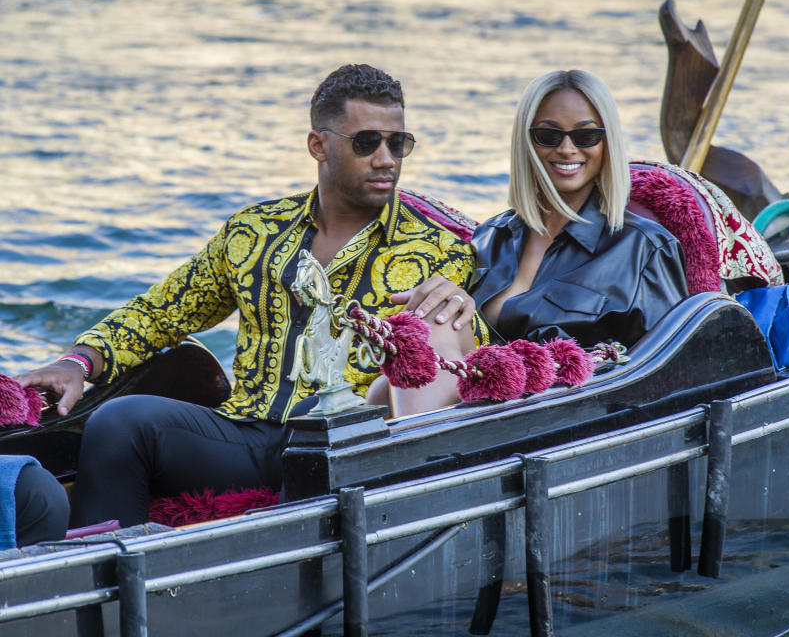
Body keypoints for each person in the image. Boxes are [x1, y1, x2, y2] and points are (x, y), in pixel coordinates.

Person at [16, 64, 485, 528]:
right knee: (119, 422)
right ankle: (100, 579)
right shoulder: (253, 232)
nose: (387, 159)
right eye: (367, 143)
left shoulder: (439, 249)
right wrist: (78, 361)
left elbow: (461, 359)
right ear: (318, 145)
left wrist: (467, 310)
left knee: (325, 452)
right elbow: (162, 310)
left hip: (348, 439)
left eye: (398, 143)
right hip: (247, 433)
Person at [382, 69, 689, 416]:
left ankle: (417, 460)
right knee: (436, 314)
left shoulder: (644, 248)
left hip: (564, 422)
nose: (567, 148)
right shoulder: (490, 237)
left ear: (607, 143)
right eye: (548, 135)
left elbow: (667, 375)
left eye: (586, 135)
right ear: (527, 142)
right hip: (477, 405)